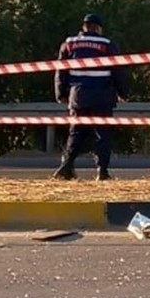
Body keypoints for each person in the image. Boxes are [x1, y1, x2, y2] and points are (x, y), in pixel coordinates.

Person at [52, 13, 130, 181]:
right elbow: (118, 71)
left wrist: (61, 94)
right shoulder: (107, 44)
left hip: (78, 96)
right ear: (98, 28)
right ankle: (102, 172)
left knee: (76, 133)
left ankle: (66, 168)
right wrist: (123, 93)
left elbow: (61, 71)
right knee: (103, 134)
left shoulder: (69, 44)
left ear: (84, 27)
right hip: (102, 96)